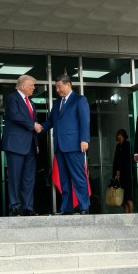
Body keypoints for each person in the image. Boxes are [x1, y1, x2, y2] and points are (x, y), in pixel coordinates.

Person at [43, 75, 91, 215]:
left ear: (68, 85)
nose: (57, 90)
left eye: (59, 87)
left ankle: (84, 207)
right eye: (56, 87)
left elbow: (85, 121)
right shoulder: (57, 102)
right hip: (59, 146)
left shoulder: (79, 100)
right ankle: (67, 208)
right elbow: (50, 121)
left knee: (78, 177)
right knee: (64, 180)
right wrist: (39, 127)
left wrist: (84, 139)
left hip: (75, 145)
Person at [2, 74, 41, 216]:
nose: (33, 88)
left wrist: (36, 143)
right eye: (32, 85)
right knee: (14, 177)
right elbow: (14, 115)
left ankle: (28, 207)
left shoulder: (32, 103)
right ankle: (14, 206)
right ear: (23, 86)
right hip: (15, 145)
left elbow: (34, 126)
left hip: (30, 145)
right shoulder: (12, 98)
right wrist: (33, 125)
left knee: (29, 178)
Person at [111, 129, 134, 213]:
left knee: (128, 196)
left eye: (120, 135)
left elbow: (126, 160)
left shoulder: (127, 145)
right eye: (118, 135)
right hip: (119, 175)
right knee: (122, 197)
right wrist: (116, 173)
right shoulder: (118, 146)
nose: (118, 137)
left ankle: (131, 213)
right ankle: (126, 214)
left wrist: (119, 171)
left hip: (126, 174)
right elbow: (116, 161)